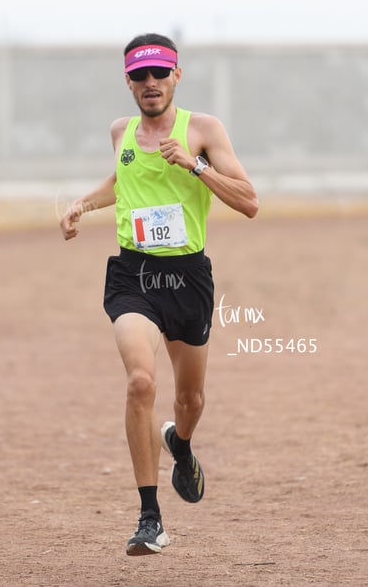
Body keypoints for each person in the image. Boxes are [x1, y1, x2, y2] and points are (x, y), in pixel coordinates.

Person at [60, 33, 258, 556]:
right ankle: (150, 517)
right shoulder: (120, 131)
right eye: (139, 76)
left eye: (159, 73)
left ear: (176, 76)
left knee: (189, 400)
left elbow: (250, 201)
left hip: (188, 278)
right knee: (140, 382)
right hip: (134, 277)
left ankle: (182, 443)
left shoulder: (204, 130)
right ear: (127, 81)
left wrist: (195, 166)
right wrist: (84, 203)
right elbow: (122, 182)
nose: (150, 83)